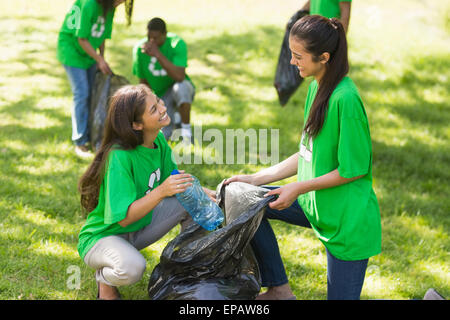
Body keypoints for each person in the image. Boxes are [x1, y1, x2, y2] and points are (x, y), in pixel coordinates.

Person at [225, 15, 381, 300]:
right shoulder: (316, 87)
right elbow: (307, 153)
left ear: (323, 57)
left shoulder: (345, 99)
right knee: (247, 200)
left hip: (347, 222)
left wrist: (297, 187)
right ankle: (279, 290)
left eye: (298, 56)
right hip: (315, 205)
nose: (292, 62)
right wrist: (255, 179)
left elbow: (352, 170)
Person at [77, 84, 215, 300]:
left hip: (139, 227)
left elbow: (174, 179)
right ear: (136, 124)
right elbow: (123, 219)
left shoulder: (157, 139)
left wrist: (207, 192)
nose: (163, 108)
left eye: (158, 101)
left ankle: (189, 270)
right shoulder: (119, 157)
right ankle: (104, 281)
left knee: (194, 202)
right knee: (133, 268)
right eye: (153, 109)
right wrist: (161, 191)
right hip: (103, 238)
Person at [57, 0, 127, 158]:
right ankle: (80, 141)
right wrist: (99, 59)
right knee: (82, 93)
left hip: (89, 54)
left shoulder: (109, 8)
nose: (121, 2)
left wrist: (101, 58)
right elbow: (81, 38)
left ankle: (93, 135)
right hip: (71, 50)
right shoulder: (90, 4)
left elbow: (102, 36)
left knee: (93, 93)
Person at [132, 17, 195, 143]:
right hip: (160, 96)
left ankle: (186, 132)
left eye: (156, 38)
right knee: (163, 135)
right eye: (149, 37)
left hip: (177, 88)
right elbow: (143, 82)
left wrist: (158, 55)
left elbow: (180, 77)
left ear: (164, 34)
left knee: (181, 88)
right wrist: (151, 103)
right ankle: (175, 120)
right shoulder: (140, 49)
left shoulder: (176, 43)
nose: (152, 41)